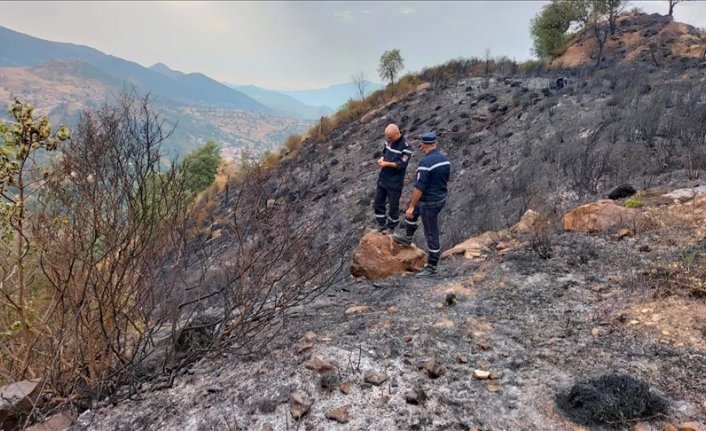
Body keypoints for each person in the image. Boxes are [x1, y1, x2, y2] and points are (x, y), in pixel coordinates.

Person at [393, 132, 451, 277]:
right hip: (440, 198)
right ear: (436, 144)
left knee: (431, 232)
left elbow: (419, 188)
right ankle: (407, 238)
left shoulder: (425, 163)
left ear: (423, 145)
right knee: (411, 215)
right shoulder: (445, 160)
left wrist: (412, 205)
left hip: (429, 202)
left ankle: (432, 266)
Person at [373, 123, 412, 233]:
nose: (388, 139)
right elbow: (384, 152)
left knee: (393, 205)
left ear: (397, 133)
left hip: (395, 181)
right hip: (383, 178)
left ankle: (391, 228)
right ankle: (381, 224)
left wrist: (386, 164)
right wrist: (381, 159)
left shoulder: (406, 146)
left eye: (390, 137)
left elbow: (401, 164)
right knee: (378, 202)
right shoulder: (389, 141)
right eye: (387, 137)